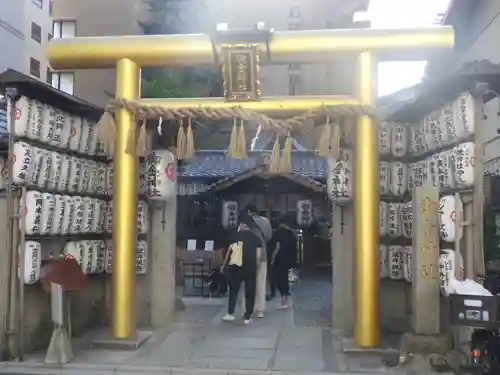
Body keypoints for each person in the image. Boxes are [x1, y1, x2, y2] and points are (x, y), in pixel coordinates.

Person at [222, 214, 263, 324]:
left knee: (233, 290)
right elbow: (258, 256)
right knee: (250, 292)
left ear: (241, 224)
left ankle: (230, 313)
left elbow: (228, 253)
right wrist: (257, 268)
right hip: (250, 267)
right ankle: (247, 316)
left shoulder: (233, 236)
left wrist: (224, 265)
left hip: (236, 267)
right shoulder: (255, 238)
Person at [243, 204, 272, 318]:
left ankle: (248, 308)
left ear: (249, 211)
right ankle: (260, 309)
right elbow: (269, 236)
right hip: (263, 252)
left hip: (248, 253)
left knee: (247, 281)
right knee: (261, 280)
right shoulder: (266, 222)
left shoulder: (245, 222)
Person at [268, 214, 297, 309]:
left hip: (279, 260)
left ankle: (283, 300)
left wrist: (272, 259)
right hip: (289, 260)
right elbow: (294, 248)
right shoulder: (291, 233)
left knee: (279, 280)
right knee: (287, 280)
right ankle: (285, 300)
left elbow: (274, 247)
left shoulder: (276, 233)